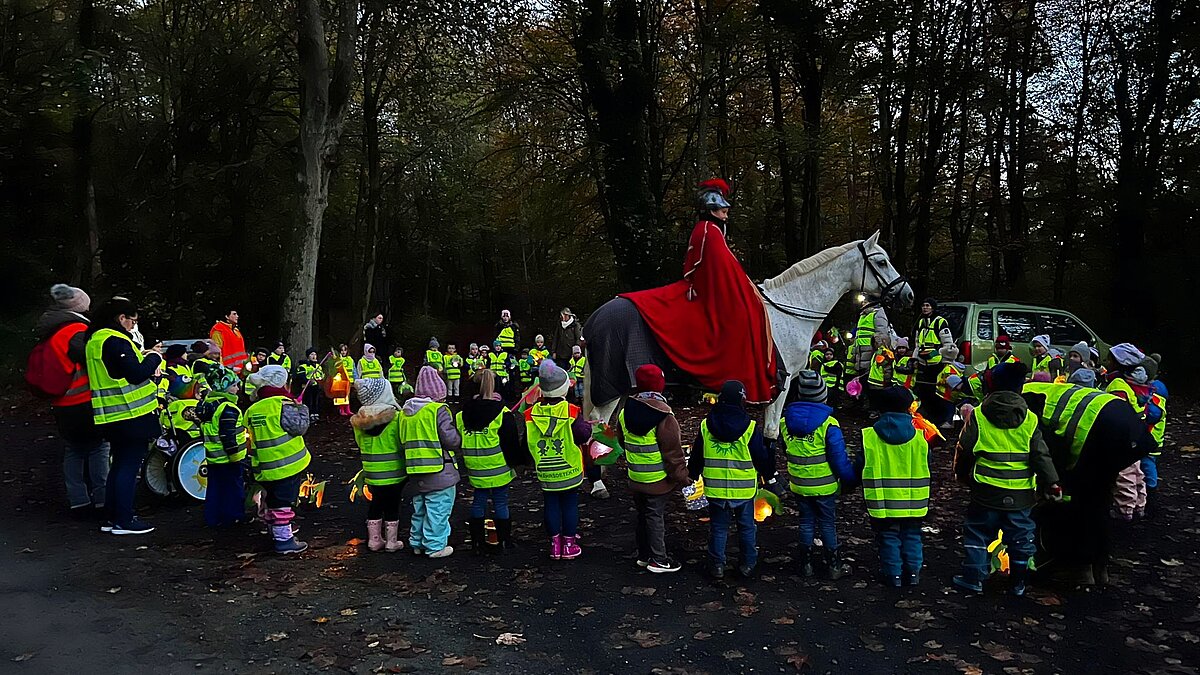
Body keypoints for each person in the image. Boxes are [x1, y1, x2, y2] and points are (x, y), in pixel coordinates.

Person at [619, 178, 778, 402]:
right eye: (722, 209)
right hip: (708, 293)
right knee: (743, 318)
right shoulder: (709, 232)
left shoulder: (706, 229)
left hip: (704, 288)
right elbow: (723, 271)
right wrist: (745, 294)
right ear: (712, 210)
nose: (726, 213)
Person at [1021, 381, 1154, 587]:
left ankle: (1078, 568)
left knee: (1077, 504)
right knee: (1098, 500)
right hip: (1122, 416)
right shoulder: (1040, 389)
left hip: (1098, 428)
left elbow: (1047, 450)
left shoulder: (1024, 403)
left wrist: (1052, 485)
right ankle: (1099, 567)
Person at [951, 363, 1061, 596]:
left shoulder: (979, 415)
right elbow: (1040, 454)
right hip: (1021, 494)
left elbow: (965, 449)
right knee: (1020, 538)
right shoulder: (1030, 418)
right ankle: (1018, 583)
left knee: (977, 534)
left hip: (985, 491)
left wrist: (961, 475)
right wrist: (1052, 482)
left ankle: (974, 578)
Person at [85, 296, 164, 535]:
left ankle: (113, 517)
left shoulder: (95, 341)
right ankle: (125, 519)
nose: (133, 326)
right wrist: (154, 357)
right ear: (121, 318)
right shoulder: (116, 341)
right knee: (129, 467)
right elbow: (136, 373)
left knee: (119, 465)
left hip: (110, 415)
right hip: (132, 414)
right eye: (133, 321)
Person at [688, 380, 779, 579]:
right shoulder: (750, 427)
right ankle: (748, 563)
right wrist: (770, 476)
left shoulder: (706, 425)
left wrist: (692, 475)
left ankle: (717, 565)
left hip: (715, 489)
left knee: (718, 528)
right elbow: (760, 456)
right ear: (741, 399)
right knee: (746, 527)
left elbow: (697, 455)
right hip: (744, 490)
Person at [35, 284, 109, 518]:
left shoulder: (52, 328)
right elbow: (93, 358)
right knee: (99, 447)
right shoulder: (75, 330)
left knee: (74, 450)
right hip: (83, 399)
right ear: (80, 305)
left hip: (62, 402)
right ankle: (103, 498)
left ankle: (78, 499)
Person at [781, 371, 856, 579]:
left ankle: (805, 565)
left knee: (805, 522)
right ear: (823, 395)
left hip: (799, 484)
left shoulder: (784, 422)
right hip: (825, 485)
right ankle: (834, 566)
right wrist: (850, 479)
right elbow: (839, 459)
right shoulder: (829, 424)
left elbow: (783, 448)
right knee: (827, 523)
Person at [615, 365, 688, 574]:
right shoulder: (665, 415)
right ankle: (659, 559)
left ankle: (644, 555)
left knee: (642, 515)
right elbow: (672, 452)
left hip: (636, 476)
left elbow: (621, 439)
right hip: (658, 480)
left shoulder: (624, 411)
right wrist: (682, 477)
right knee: (655, 517)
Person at [856, 387, 929, 587]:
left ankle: (893, 575)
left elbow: (860, 465)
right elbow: (927, 462)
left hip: (883, 502)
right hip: (914, 501)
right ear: (908, 407)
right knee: (912, 536)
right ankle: (913, 573)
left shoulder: (870, 436)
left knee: (888, 537)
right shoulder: (921, 437)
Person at [525, 360, 591, 560]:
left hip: (545, 468)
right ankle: (569, 543)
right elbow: (582, 433)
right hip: (569, 468)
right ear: (564, 389)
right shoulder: (571, 411)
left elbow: (525, 441)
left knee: (551, 504)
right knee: (570, 504)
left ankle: (555, 543)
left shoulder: (530, 414)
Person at [244, 365, 311, 554]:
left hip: (264, 467)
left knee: (272, 499)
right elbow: (299, 427)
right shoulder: (283, 404)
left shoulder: (253, 409)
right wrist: (302, 408)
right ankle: (284, 540)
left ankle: (274, 531)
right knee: (283, 502)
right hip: (287, 465)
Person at [457, 369, 526, 554]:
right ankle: (505, 540)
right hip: (498, 468)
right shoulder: (503, 414)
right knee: (501, 502)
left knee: (478, 501)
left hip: (475, 468)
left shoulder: (461, 415)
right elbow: (510, 444)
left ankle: (477, 542)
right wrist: (516, 463)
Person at [401, 367, 461, 558]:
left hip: (414, 469)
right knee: (439, 509)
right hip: (438, 468)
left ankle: (417, 542)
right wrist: (460, 438)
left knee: (420, 508)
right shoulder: (438, 410)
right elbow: (450, 439)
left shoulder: (405, 412)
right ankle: (435, 546)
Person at [350, 378, 406, 553]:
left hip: (372, 470)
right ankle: (392, 541)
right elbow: (402, 441)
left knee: (376, 503)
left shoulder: (359, 420)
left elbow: (359, 444)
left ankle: (374, 540)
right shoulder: (397, 417)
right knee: (393, 504)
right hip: (395, 471)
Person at [1105, 343, 1154, 521]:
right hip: (1137, 430)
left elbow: (1117, 410)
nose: (1106, 362)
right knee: (1137, 472)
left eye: (1110, 359)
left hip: (1125, 434)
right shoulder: (1130, 380)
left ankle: (1124, 510)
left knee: (1124, 472)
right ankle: (1139, 505)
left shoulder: (1117, 384)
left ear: (1118, 363)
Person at [196, 366, 247, 528]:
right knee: (234, 488)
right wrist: (234, 456)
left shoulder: (208, 405)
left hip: (213, 457)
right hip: (229, 458)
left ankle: (213, 517)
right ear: (224, 387)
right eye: (234, 385)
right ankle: (234, 517)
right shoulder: (228, 408)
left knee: (215, 489)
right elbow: (228, 436)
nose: (238, 388)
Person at [209, 309, 249, 375]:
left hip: (241, 369)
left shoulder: (236, 330)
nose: (237, 316)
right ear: (227, 316)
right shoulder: (218, 329)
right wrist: (221, 368)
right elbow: (216, 351)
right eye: (234, 314)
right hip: (228, 370)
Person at [294, 348, 323, 419]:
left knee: (316, 401)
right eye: (312, 354)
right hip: (307, 387)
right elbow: (300, 377)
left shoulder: (318, 366)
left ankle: (316, 414)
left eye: (315, 354)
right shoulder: (303, 366)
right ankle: (308, 415)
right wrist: (308, 381)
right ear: (308, 356)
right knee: (308, 401)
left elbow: (322, 375)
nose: (314, 356)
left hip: (317, 387)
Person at [335, 343, 355, 416]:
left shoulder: (350, 359)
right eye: (342, 350)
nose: (343, 352)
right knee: (341, 395)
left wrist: (355, 379)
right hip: (340, 380)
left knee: (347, 396)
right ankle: (341, 409)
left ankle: (348, 409)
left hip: (349, 380)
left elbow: (353, 370)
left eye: (345, 350)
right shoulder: (337, 359)